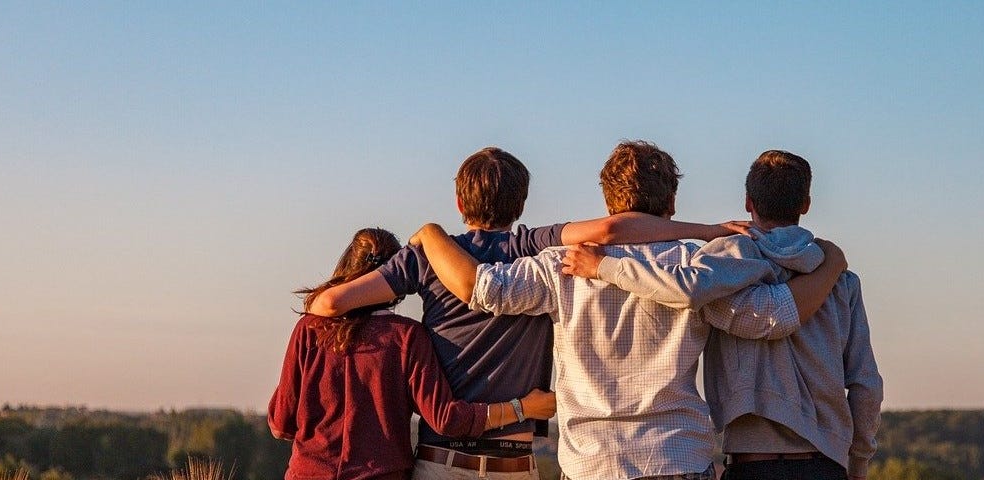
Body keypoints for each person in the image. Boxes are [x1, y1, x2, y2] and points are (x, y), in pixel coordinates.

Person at [410, 141, 849, 480]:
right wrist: (831, 264)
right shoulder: (697, 265)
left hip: (592, 462)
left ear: (607, 203)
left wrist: (430, 234)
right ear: (671, 204)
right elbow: (769, 318)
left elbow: (483, 289)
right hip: (677, 454)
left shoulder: (561, 264)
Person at [307, 147, 738, 479]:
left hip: (442, 456)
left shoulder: (428, 257)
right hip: (515, 459)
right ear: (522, 202)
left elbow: (329, 305)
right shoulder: (533, 247)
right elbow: (612, 229)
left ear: (459, 202)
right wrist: (709, 231)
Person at [563, 150, 883, 480]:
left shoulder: (721, 270)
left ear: (748, 202)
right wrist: (858, 460)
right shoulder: (841, 282)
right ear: (806, 203)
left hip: (750, 463)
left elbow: (685, 288)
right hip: (826, 462)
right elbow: (865, 384)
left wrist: (604, 266)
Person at [268, 227, 557, 480]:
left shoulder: (309, 328)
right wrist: (523, 408)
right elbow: (446, 419)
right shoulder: (406, 336)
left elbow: (281, 423)